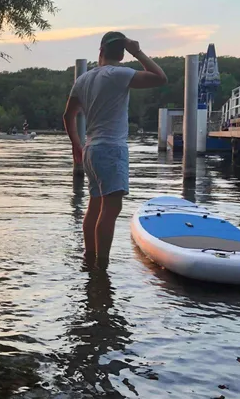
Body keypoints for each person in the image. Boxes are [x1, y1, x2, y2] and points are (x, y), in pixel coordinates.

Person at [63, 31, 167, 259]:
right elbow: (160, 78)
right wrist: (138, 52)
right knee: (110, 211)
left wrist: (76, 145)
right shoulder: (120, 74)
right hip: (111, 149)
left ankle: (89, 260)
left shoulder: (83, 80)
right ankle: (101, 269)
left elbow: (68, 115)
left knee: (94, 207)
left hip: (91, 149)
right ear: (122, 54)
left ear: (100, 51)